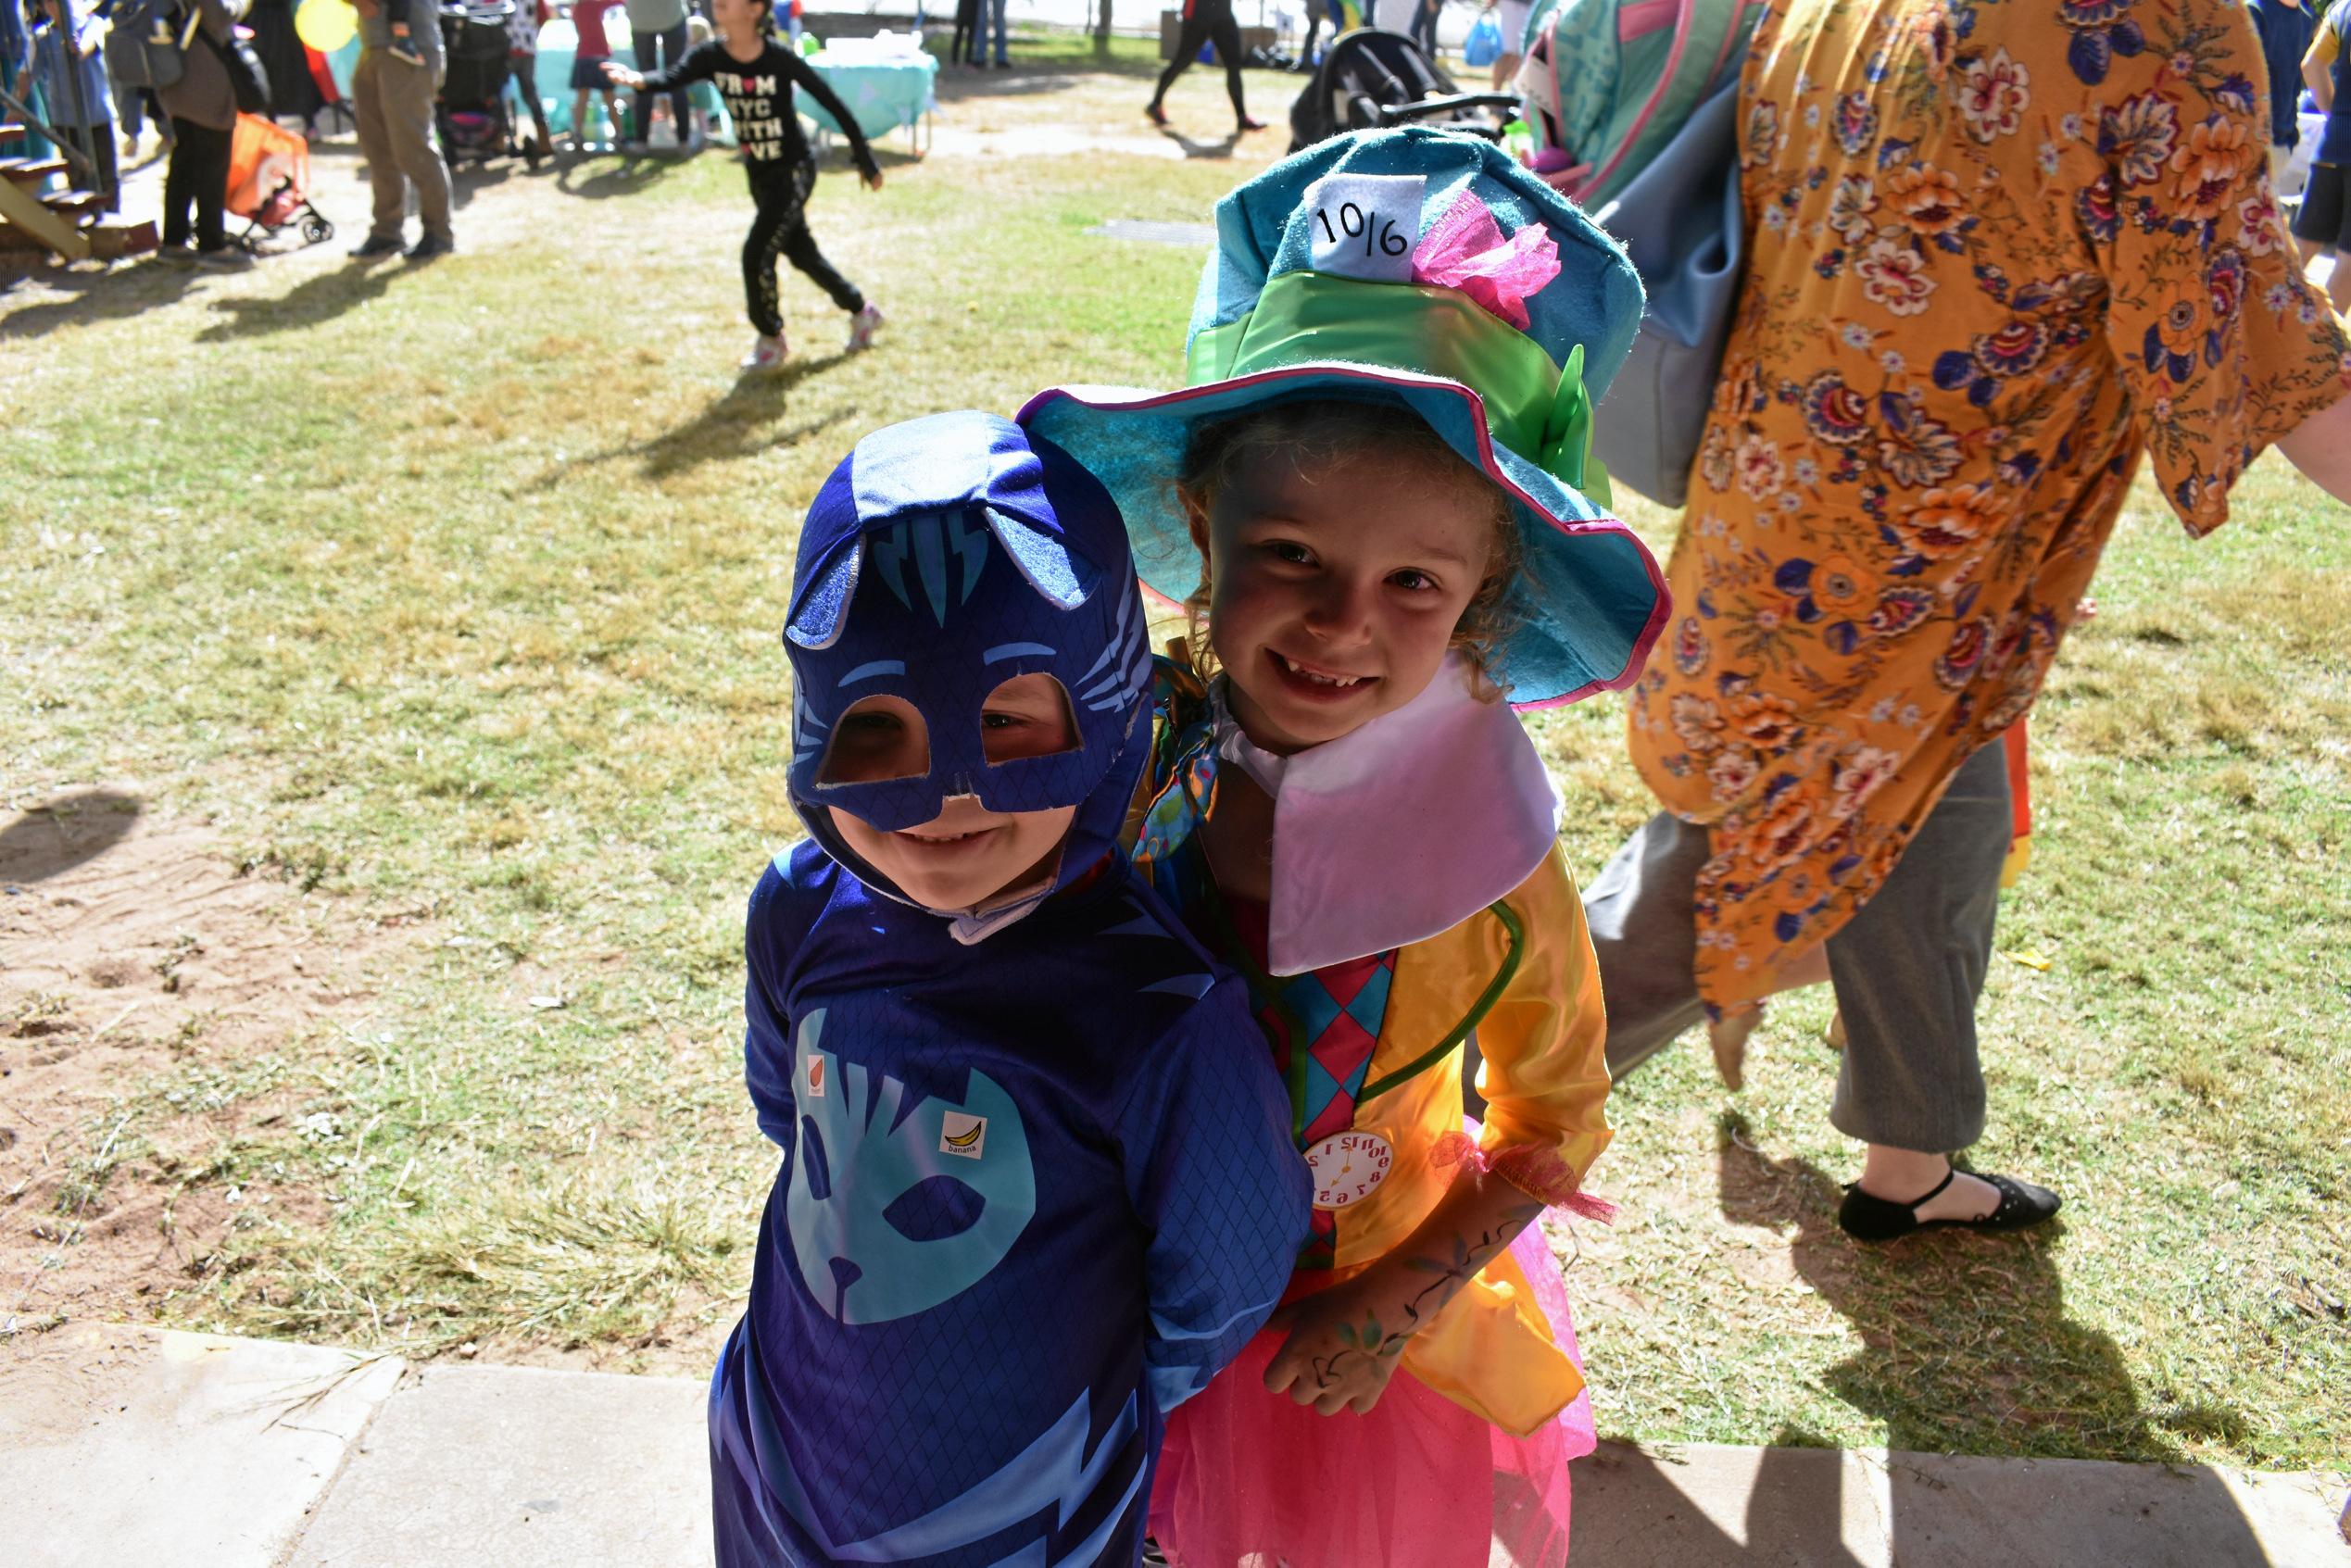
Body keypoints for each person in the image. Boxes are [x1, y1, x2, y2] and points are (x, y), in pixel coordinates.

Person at [1586, 0, 2351, 1243]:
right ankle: (1398, 1146)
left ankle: (1912, 1150)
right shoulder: (2157, 24)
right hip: (1909, 573)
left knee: (1932, 808)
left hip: (1791, 509)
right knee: (1712, 881)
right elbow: (2251, 336)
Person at [1023, 128, 1659, 1568]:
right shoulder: (1127, 770)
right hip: (1125, 1302)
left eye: (1412, 583)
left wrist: (1394, 1302)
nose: (1335, 624)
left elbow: (1555, 1123)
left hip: (1360, 1332)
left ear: (1486, 592)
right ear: (1200, 516)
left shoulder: (1491, 861)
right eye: (1290, 555)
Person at [718, 408, 1311, 1567]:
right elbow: (786, 1113)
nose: (945, 792)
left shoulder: (1156, 1017)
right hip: (781, 1471)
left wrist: (1069, 1414)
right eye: (876, 727)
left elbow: (1221, 1281)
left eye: (1003, 720)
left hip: (1022, 1518)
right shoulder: (800, 908)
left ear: (1101, 716)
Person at [606, 0, 884, 371]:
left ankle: (771, 338)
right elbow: (673, 77)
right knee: (800, 252)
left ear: (755, 9)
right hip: (760, 174)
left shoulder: (778, 59)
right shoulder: (711, 56)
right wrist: (639, 80)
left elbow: (832, 103)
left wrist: (864, 158)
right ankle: (861, 310)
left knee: (756, 253)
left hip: (794, 170)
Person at [346, 0, 455, 259]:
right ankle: (386, 232)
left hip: (408, 50)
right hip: (374, 48)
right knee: (378, 149)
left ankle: (438, 234)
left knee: (412, 147)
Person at [153, 0, 250, 267]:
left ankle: (173, 241)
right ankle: (212, 245)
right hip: (204, 85)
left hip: (176, 80)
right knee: (211, 167)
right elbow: (220, 14)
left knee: (183, 164)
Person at [29, 0, 115, 212]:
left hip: (97, 115)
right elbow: (27, 73)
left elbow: (87, 46)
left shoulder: (92, 24)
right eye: (49, 3)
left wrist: (77, 45)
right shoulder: (42, 37)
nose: (55, 6)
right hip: (66, 120)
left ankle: (112, 222)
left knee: (106, 175)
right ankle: (85, 221)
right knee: (77, 177)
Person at [2299, 0, 2351, 312]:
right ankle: (2321, 350)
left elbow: (2312, 65)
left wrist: (2336, 115)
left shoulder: (2342, 9)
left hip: (2332, 144)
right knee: (2348, 262)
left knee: (2301, 247)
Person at [1145, 0, 1263, 133]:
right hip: (1198, 11)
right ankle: (1155, 104)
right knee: (1182, 61)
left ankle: (1242, 117)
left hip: (1222, 12)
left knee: (1234, 63)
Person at [622, 0, 691, 149]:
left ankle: (642, 142)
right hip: (666, 16)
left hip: (642, 18)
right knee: (675, 78)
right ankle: (683, 141)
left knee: (644, 80)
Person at [565, 0, 622, 148]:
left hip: (584, 56)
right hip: (598, 57)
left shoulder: (577, 8)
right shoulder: (593, 4)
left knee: (582, 98)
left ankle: (577, 133)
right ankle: (619, 135)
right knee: (609, 97)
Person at [503, 0, 553, 157]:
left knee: (503, 94)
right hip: (526, 46)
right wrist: (531, 31)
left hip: (505, 47)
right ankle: (544, 143)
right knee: (529, 93)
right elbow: (544, 16)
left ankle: (502, 142)